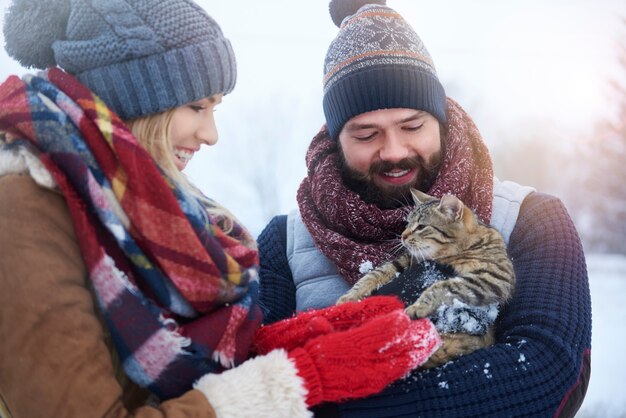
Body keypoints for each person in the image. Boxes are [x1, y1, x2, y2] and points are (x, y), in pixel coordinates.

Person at [0, 0, 443, 417]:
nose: (210, 134)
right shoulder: (24, 211)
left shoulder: (134, 207)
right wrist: (294, 379)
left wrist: (292, 341)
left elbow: (174, 368)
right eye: (197, 107)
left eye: (216, 108)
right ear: (134, 100)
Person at [257, 0, 592, 417]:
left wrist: (338, 405)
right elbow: (252, 372)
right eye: (365, 134)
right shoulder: (283, 242)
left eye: (413, 126)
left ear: (442, 121)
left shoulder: (531, 219)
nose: (394, 151)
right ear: (335, 139)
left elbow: (547, 372)